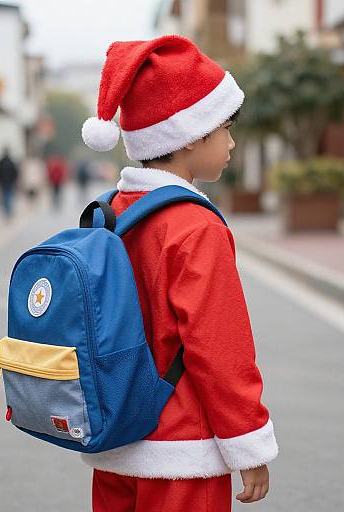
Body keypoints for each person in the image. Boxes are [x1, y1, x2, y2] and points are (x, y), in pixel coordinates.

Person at [80, 35, 279, 512]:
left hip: (116, 442)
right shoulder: (195, 225)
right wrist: (247, 445)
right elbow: (219, 347)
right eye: (224, 128)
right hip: (182, 453)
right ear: (190, 134)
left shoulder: (110, 212)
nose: (231, 141)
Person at [0, 148, 19, 219]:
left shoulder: (1, 162)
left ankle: (6, 210)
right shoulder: (11, 162)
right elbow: (15, 172)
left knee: (4, 196)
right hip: (10, 182)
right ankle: (8, 210)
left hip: (3, 181)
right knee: (9, 196)